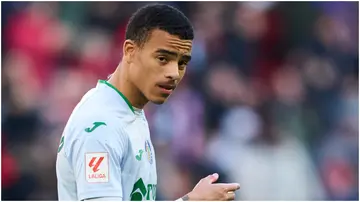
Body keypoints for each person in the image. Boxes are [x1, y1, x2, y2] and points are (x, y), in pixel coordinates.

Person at [56, 3, 240, 201]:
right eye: (162, 58)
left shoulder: (129, 110)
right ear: (130, 51)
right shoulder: (101, 127)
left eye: (182, 63)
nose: (174, 73)